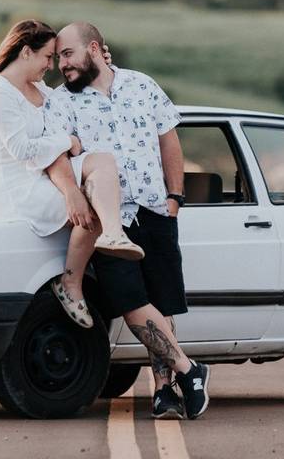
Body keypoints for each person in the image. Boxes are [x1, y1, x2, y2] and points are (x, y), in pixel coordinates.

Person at [42, 21, 210, 421]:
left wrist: (174, 198)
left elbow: (168, 141)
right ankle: (191, 371)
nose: (61, 65)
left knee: (163, 303)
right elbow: (58, 160)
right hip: (109, 221)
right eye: (58, 58)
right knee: (133, 303)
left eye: (67, 55)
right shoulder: (61, 103)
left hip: (155, 210)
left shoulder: (142, 85)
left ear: (95, 49)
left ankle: (164, 391)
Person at [0, 19, 143, 329]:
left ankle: (114, 234)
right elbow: (23, 151)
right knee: (90, 208)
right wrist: (67, 143)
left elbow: (71, 101)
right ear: (26, 52)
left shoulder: (38, 88)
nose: (52, 66)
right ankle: (70, 284)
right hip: (16, 189)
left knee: (103, 162)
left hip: (41, 176)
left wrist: (100, 65)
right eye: (47, 57)